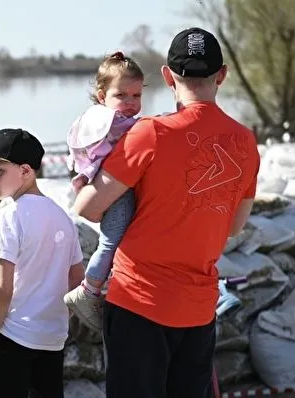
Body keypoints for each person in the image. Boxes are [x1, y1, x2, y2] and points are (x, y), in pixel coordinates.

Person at [72, 27, 260, 398]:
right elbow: (236, 226)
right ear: (221, 75)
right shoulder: (246, 142)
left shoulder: (149, 133)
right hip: (199, 309)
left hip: (138, 303)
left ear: (167, 76)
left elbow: (89, 208)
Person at [0, 128, 85, 398]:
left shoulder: (9, 217)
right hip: (52, 338)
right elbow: (77, 280)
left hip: (13, 336)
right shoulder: (62, 217)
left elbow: (2, 287)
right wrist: (54, 317)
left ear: (26, 171)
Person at [64, 51, 144, 332]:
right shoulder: (113, 120)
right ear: (102, 96)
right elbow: (140, 131)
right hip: (114, 191)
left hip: (107, 186)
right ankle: (89, 289)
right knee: (110, 242)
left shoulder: (94, 118)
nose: (131, 104)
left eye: (136, 96)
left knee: (117, 241)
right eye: (122, 95)